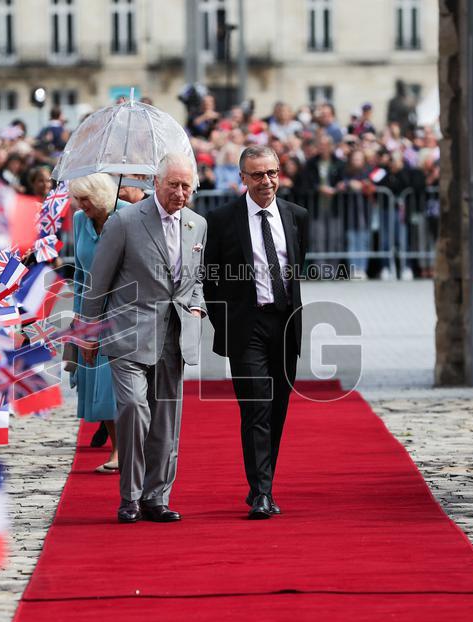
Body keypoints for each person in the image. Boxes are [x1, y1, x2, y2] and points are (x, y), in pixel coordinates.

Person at [80, 154, 207, 524]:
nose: (181, 193)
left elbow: (196, 279)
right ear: (157, 183)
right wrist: (87, 334)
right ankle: (130, 497)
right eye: (174, 185)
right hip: (128, 334)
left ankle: (156, 496)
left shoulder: (197, 225)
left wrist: (197, 307)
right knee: (135, 409)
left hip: (175, 334)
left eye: (187, 186)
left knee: (167, 420)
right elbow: (98, 283)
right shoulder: (125, 221)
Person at [203, 145, 309, 519]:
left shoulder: (297, 216)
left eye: (272, 173)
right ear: (242, 179)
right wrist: (225, 324)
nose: (267, 182)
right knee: (255, 408)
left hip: (285, 325)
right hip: (246, 327)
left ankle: (265, 484)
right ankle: (261, 492)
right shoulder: (221, 220)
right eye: (258, 175)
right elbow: (210, 278)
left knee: (277, 409)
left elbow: (298, 267)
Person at [69, 174, 123, 474]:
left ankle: (125, 448)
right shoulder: (80, 220)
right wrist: (78, 317)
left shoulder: (127, 215)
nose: (81, 204)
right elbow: (79, 271)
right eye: (77, 199)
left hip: (124, 309)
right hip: (90, 312)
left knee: (116, 383)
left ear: (102, 195)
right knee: (96, 383)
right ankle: (118, 445)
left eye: (86, 198)